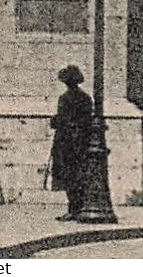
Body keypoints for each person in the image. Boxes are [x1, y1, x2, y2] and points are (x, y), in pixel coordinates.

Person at [50, 64, 92, 220]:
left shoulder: (65, 98)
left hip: (66, 141)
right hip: (82, 140)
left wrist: (54, 121)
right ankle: (79, 207)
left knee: (68, 175)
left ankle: (73, 208)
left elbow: (61, 120)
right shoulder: (86, 98)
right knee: (79, 174)